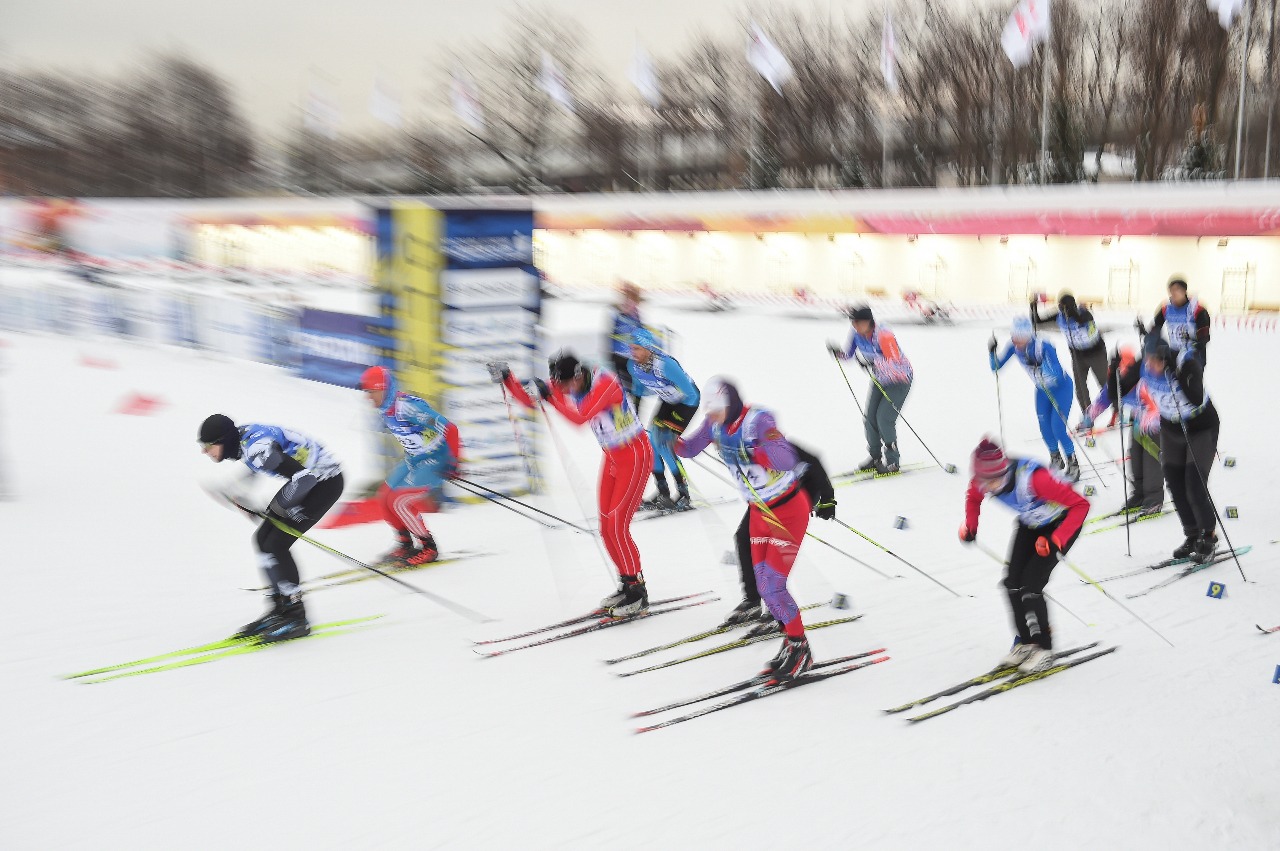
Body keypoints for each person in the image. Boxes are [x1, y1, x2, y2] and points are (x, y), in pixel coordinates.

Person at [490, 350, 654, 615]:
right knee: (605, 526)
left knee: (618, 525)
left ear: (578, 375)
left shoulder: (605, 382)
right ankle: (627, 583)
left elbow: (580, 417)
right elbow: (533, 399)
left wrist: (551, 396)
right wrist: (509, 379)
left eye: (567, 385)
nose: (565, 389)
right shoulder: (566, 380)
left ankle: (638, 591)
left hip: (635, 455)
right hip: (613, 457)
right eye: (561, 385)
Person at [675, 379, 814, 680]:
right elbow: (688, 449)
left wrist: (756, 450)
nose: (710, 417)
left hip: (787, 511)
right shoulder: (715, 424)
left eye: (716, 411)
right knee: (764, 585)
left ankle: (801, 648)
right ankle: (791, 642)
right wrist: (664, 437)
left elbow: (787, 460)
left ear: (730, 405)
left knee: (774, 585)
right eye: (708, 412)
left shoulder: (758, 421)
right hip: (758, 513)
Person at [198, 414, 345, 642]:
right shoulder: (244, 442)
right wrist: (238, 494)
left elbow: (304, 479)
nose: (204, 452)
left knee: (277, 543)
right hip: (309, 481)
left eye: (208, 446)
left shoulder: (255, 448)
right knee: (262, 540)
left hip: (325, 483)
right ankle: (280, 608)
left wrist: (274, 507)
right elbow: (258, 465)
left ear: (223, 441)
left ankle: (297, 616)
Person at [959, 437, 1089, 674]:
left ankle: (1044, 648)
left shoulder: (1036, 479)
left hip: (1060, 524)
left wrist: (1056, 540)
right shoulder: (982, 480)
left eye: (993, 482)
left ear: (1005, 471)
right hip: (1030, 523)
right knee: (1011, 583)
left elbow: (1081, 505)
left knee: (1031, 585)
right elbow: (973, 498)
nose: (987, 487)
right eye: (983, 482)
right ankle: (1025, 642)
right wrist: (971, 526)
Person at [1087, 334, 1220, 561]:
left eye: (1156, 361)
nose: (1150, 366)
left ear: (1166, 358)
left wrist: (1177, 376)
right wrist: (1114, 374)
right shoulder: (1144, 365)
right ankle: (1192, 535)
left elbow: (1196, 398)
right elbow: (1114, 392)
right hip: (1171, 427)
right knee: (1175, 483)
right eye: (1147, 360)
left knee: (1194, 484)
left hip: (1200, 426)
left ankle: (1208, 537)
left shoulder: (1185, 364)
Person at [721, 442, 837, 634]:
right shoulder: (736, 444)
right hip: (767, 498)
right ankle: (752, 600)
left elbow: (814, 462)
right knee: (744, 537)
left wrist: (827, 499)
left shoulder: (770, 441)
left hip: (797, 494)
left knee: (774, 554)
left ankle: (778, 611)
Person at [359, 365, 460, 566]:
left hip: (436, 460)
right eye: (367, 393)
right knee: (384, 495)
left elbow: (450, 428)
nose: (369, 398)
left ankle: (428, 547)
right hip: (415, 459)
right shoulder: (385, 408)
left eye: (373, 392)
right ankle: (405, 544)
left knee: (399, 501)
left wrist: (454, 462)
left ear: (384, 389)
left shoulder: (408, 408)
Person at [990, 316, 1080, 481]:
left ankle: (1073, 462)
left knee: (1057, 427)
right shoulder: (1014, 347)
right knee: (1044, 426)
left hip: (1061, 389)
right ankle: (1056, 458)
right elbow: (996, 367)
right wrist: (992, 352)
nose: (1015, 340)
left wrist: (1041, 367)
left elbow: (1058, 374)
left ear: (1027, 335)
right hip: (1042, 390)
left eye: (1018, 337)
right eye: (1013, 336)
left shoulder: (1043, 346)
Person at [828, 305, 913, 474]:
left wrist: (873, 362)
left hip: (899, 379)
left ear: (868, 321)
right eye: (853, 322)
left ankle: (892, 461)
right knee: (869, 419)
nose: (855, 326)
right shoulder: (856, 334)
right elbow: (849, 355)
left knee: (884, 419)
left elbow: (894, 360)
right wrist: (839, 354)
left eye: (858, 322)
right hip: (880, 379)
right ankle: (875, 458)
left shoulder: (884, 335)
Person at [1083, 345, 1164, 515]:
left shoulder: (1143, 382)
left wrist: (1146, 422)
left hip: (1156, 424)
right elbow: (1104, 399)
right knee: (1135, 456)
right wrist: (1090, 416)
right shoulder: (1118, 382)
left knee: (1151, 460)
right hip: (1138, 422)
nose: (1125, 374)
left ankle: (1154, 499)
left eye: (1127, 370)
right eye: (1121, 370)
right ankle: (1139, 494)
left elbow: (1157, 408)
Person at [628, 327, 700, 512]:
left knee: (663, 444)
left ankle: (684, 494)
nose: (632, 353)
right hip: (668, 401)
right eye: (631, 348)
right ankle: (663, 493)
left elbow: (691, 395)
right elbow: (638, 392)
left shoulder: (666, 365)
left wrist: (672, 423)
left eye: (636, 349)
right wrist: (634, 416)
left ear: (647, 348)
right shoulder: (633, 366)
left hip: (687, 402)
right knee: (651, 444)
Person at [1031, 291, 1108, 423]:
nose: (1063, 310)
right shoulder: (1059, 316)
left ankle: (1121, 411)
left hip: (1096, 353)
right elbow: (1037, 322)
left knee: (1105, 383)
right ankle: (1088, 417)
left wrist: (1073, 313)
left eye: (1066, 307)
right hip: (1078, 356)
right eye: (1061, 307)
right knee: (1080, 388)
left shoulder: (1084, 313)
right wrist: (1033, 306)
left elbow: (1085, 320)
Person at [1140, 276, 1210, 367]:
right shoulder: (1166, 308)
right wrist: (1147, 334)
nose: (1174, 293)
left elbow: (1204, 336)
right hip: (1174, 353)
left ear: (1184, 291)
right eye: (1171, 290)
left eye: (1177, 289)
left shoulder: (1197, 309)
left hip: (1193, 355)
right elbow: (1156, 327)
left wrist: (1193, 342)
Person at [607, 282, 643, 409]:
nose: (629, 303)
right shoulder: (617, 313)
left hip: (631, 358)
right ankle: (624, 416)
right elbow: (610, 333)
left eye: (632, 300)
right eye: (627, 299)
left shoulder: (636, 315)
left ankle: (634, 418)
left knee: (633, 390)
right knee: (622, 389)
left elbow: (641, 334)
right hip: (620, 357)